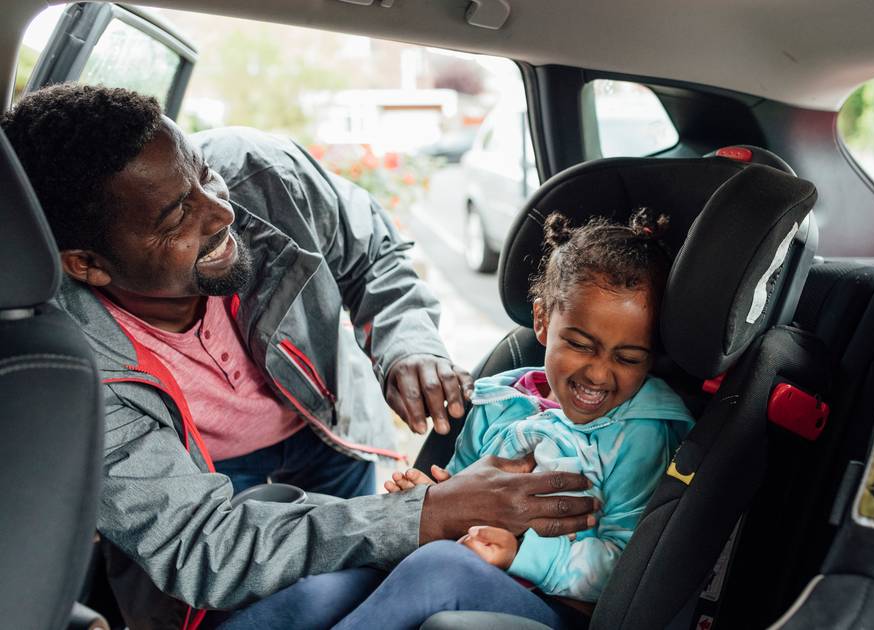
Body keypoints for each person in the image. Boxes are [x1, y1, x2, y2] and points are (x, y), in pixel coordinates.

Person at [1, 83, 598, 629]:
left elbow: (376, 255)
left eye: (204, 177)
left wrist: (406, 340)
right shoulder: (68, 371)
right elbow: (204, 545)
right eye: (177, 215)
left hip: (325, 436)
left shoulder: (265, 177)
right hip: (203, 485)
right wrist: (426, 513)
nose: (221, 211)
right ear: (87, 264)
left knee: (355, 582)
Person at [220, 210, 695, 629]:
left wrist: (519, 553)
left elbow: (625, 568)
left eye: (629, 358)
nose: (598, 372)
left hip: (559, 607)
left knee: (439, 569)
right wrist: (430, 498)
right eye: (579, 344)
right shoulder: (497, 400)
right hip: (463, 565)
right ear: (544, 321)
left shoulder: (643, 430)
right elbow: (468, 493)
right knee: (317, 591)